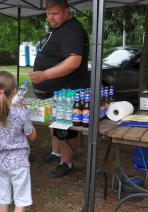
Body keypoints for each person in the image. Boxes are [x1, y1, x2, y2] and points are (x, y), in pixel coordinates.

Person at [28, 0, 89, 178]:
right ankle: (56, 154)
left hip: (68, 90)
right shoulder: (59, 28)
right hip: (55, 91)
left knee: (64, 127)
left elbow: (73, 61)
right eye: (48, 14)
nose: (50, 18)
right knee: (56, 123)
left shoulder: (72, 30)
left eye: (54, 14)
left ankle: (67, 163)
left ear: (66, 11)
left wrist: (45, 75)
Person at [0, 71, 37, 212]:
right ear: (15, 91)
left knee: (3, 199)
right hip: (19, 163)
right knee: (20, 201)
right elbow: (32, 136)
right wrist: (26, 116)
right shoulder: (21, 113)